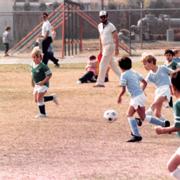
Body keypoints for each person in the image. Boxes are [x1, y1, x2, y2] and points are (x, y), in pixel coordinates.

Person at [117, 56, 170, 142]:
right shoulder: (134, 72)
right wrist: (140, 91)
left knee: (129, 114)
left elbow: (123, 89)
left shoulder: (123, 75)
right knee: (143, 117)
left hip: (136, 98)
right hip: (141, 96)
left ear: (121, 67)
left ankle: (136, 135)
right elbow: (144, 82)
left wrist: (119, 97)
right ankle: (163, 123)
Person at [155, 70, 180, 180]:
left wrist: (162, 130)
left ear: (173, 88)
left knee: (172, 166)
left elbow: (178, 126)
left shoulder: (178, 104)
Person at [142, 54, 172, 124]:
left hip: (166, 88)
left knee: (157, 101)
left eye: (145, 64)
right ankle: (166, 124)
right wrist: (140, 91)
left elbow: (173, 73)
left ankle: (149, 110)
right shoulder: (150, 74)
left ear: (151, 62)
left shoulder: (162, 68)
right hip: (158, 90)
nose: (144, 66)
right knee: (157, 114)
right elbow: (144, 83)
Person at [94, 10, 121, 87]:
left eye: (104, 16)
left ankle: (100, 82)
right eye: (101, 17)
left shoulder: (111, 26)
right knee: (113, 65)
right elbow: (100, 37)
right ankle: (123, 80)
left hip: (110, 46)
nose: (102, 18)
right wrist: (100, 49)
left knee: (102, 64)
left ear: (107, 17)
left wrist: (117, 48)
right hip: (104, 46)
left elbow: (116, 37)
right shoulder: (99, 26)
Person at [31, 47, 58, 118]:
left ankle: (43, 114)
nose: (35, 59)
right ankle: (52, 97)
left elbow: (49, 75)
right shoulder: (33, 65)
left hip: (44, 85)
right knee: (36, 100)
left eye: (37, 57)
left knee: (39, 99)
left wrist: (43, 82)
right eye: (33, 57)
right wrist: (32, 82)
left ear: (41, 57)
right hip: (37, 85)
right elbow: (33, 74)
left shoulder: (43, 66)